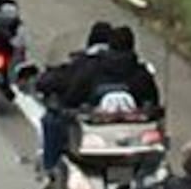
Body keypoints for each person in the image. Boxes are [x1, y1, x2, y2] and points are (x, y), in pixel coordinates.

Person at [35, 23, 160, 177]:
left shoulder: (92, 67)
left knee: (52, 120)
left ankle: (51, 166)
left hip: (95, 132)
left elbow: (73, 96)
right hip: (133, 135)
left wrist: (66, 106)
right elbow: (153, 100)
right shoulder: (141, 72)